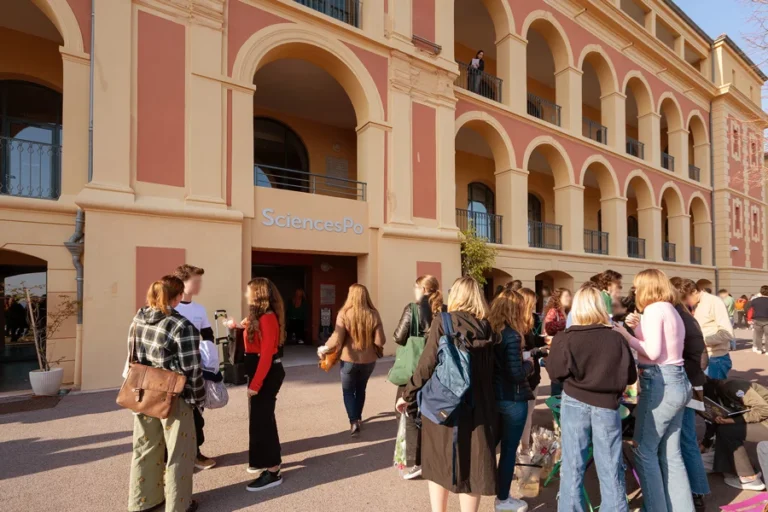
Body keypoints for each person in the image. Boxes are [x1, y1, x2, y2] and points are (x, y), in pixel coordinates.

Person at [396, 276, 497, 512]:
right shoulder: (488, 327)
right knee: (472, 468)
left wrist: (408, 394)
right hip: (480, 408)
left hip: (444, 405)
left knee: (438, 464)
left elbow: (426, 366)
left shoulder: (444, 321)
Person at [548, 284, 636, 512]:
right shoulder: (615, 337)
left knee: (572, 465)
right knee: (610, 466)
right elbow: (629, 375)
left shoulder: (564, 338)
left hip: (575, 401)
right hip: (606, 405)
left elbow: (555, 373)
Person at [614, 269, 693, 512]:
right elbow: (662, 346)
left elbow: (654, 352)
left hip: (660, 383)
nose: (634, 291)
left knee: (644, 451)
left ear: (648, 287)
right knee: (671, 453)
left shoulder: (654, 310)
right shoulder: (670, 309)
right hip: (677, 381)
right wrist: (637, 329)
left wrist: (625, 335)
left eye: (637, 287)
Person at [126, 276, 204, 512]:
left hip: (143, 391)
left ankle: (143, 501)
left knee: (144, 447)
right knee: (179, 452)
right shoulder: (181, 325)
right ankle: (178, 505)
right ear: (178, 296)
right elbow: (192, 369)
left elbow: (132, 356)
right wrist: (197, 399)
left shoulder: (138, 318)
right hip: (173, 395)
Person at [225, 278, 286, 491]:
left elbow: (267, 353)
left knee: (262, 422)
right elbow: (254, 343)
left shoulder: (267, 318)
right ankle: (267, 463)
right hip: (259, 371)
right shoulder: (257, 317)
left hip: (266, 373)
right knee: (262, 419)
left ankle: (272, 470)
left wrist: (257, 383)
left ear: (258, 294)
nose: (245, 295)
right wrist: (236, 328)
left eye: (249, 291)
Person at [392, 275, 444, 480]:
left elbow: (398, 336)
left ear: (423, 289)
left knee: (406, 410)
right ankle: (432, 456)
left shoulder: (412, 309)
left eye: (416, 287)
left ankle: (415, 462)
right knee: (431, 412)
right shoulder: (443, 309)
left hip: (412, 369)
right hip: (435, 368)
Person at [318, 284, 386, 436]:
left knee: (348, 391)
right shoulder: (374, 314)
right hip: (369, 361)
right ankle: (359, 418)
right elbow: (381, 341)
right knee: (361, 388)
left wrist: (324, 348)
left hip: (349, 360)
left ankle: (353, 421)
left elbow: (337, 339)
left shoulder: (344, 313)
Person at [489, 289, 535, 512]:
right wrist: (530, 364)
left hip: (494, 397)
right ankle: (503, 498)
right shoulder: (512, 335)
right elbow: (516, 374)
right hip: (513, 398)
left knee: (491, 447)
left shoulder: (490, 332)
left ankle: (492, 490)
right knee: (508, 450)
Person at [173, 264, 219, 471]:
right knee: (176, 415)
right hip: (175, 372)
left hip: (196, 371)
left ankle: (196, 453)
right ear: (182, 282)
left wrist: (207, 357)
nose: (199, 284)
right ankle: (175, 458)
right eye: (195, 280)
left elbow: (208, 335)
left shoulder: (199, 309)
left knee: (197, 414)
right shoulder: (171, 308)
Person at [670, 278, 711, 510]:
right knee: (688, 439)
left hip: (687, 383)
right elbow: (702, 357)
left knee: (685, 439)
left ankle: (694, 492)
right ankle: (697, 490)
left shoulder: (679, 317)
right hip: (694, 384)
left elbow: (700, 358)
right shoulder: (687, 316)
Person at [705, 378, 768, 491]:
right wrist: (705, 443)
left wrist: (733, 421)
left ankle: (750, 477)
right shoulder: (721, 393)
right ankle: (731, 467)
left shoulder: (733, 387)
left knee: (727, 431)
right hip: (764, 422)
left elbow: (764, 410)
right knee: (724, 429)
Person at [684, 284, 734, 379]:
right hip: (699, 357)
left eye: (686, 298)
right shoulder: (693, 304)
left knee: (714, 391)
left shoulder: (713, 301)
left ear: (694, 291)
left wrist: (701, 341)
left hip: (715, 358)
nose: (686, 302)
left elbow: (727, 333)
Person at [519, 287, 544, 451]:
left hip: (530, 376)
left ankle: (524, 447)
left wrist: (542, 343)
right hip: (527, 377)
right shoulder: (520, 327)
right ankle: (525, 448)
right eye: (532, 304)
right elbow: (524, 350)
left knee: (527, 415)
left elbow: (532, 344)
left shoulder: (525, 324)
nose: (534, 307)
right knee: (526, 416)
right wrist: (537, 351)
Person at [747, 286, 768, 354]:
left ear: (761, 291)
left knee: (758, 336)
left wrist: (749, 319)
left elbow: (750, 310)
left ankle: (759, 349)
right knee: (767, 336)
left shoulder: (754, 300)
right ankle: (767, 350)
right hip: (767, 320)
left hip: (757, 320)